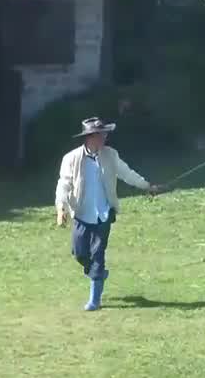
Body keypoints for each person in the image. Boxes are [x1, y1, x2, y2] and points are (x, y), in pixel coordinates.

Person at [55, 117, 162, 311]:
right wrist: (61, 207)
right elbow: (64, 184)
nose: (104, 137)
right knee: (79, 253)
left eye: (104, 134)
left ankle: (94, 300)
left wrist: (147, 186)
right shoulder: (71, 159)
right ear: (90, 137)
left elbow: (127, 173)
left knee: (98, 254)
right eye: (100, 134)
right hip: (81, 213)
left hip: (103, 213)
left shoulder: (111, 155)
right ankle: (98, 274)